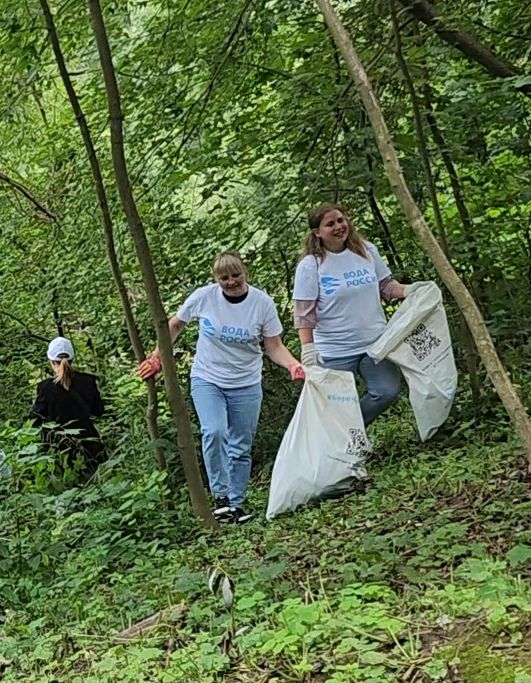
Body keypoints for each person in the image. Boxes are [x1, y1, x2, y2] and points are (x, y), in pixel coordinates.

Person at [138, 252, 304, 523]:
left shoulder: (261, 304)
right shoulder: (204, 297)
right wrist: (157, 357)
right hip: (208, 378)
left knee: (241, 444)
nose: (231, 282)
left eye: (236, 275)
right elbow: (175, 324)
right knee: (214, 431)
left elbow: (273, 345)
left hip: (246, 382)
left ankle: (236, 505)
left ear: (244, 272)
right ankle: (221, 497)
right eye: (224, 277)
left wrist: (293, 365)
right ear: (216, 279)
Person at [291, 204, 410, 427]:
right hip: (335, 351)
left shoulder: (366, 251)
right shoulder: (311, 265)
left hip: (374, 345)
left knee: (386, 391)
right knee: (334, 407)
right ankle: (339, 447)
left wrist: (410, 291)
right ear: (317, 232)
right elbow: (304, 313)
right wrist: (308, 350)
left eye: (340, 220)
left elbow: (386, 287)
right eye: (330, 224)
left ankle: (351, 430)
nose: (339, 227)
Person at [29, 337, 107, 479]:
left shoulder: (45, 387)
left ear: (51, 361)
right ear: (72, 359)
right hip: (91, 447)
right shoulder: (88, 381)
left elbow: (35, 419)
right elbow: (99, 411)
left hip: (59, 452)